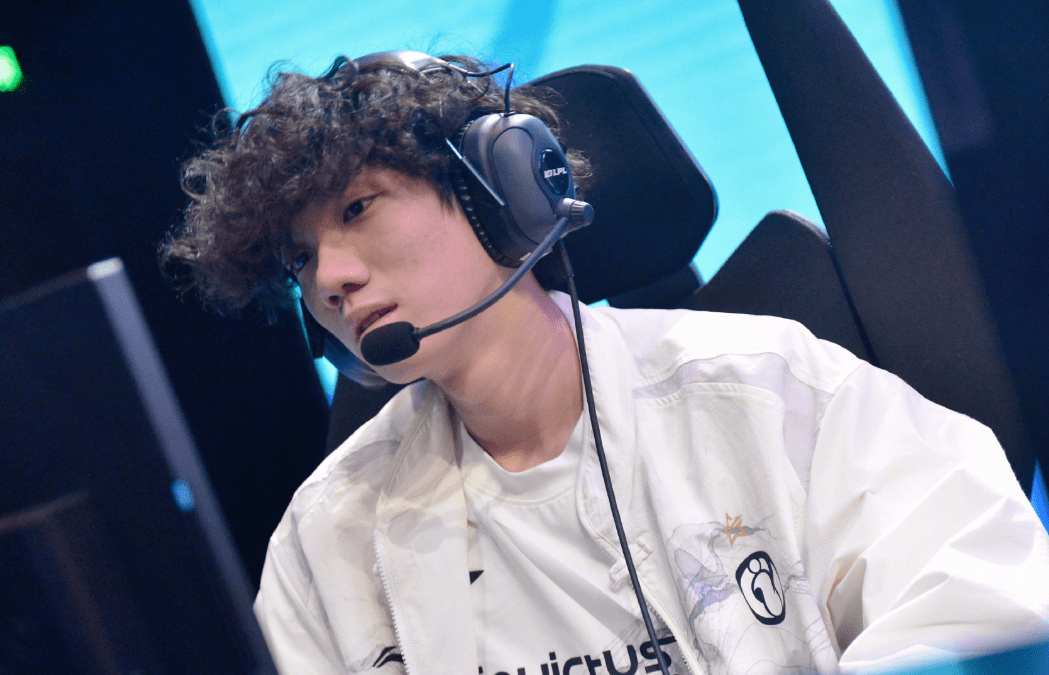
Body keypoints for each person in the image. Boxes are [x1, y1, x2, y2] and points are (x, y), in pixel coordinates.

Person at [161, 52, 1049, 675]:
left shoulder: (771, 389)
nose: (331, 277)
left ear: (498, 192)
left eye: (357, 209)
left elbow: (985, 610)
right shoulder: (329, 536)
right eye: (300, 257)